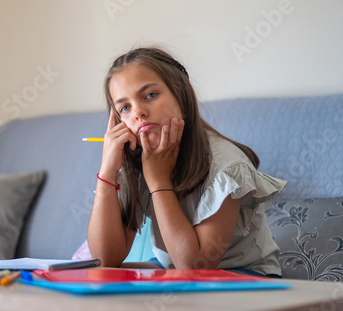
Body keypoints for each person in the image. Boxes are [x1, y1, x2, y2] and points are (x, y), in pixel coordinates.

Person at [87, 47, 286, 277]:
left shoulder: (227, 166)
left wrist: (159, 180)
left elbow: (196, 267)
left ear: (180, 93)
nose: (138, 112)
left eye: (150, 95)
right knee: (107, 276)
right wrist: (108, 172)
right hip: (174, 271)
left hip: (242, 276)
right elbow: (105, 259)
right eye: (125, 107)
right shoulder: (136, 160)